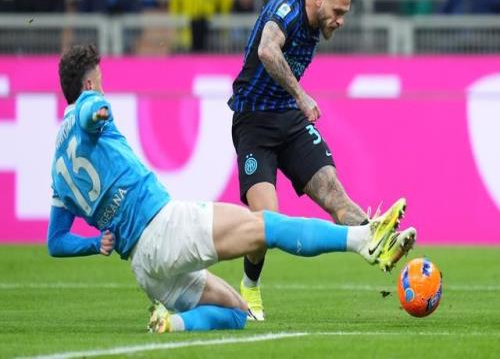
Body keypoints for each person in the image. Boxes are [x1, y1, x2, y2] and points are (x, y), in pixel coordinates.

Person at [47, 44, 415, 333]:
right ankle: (363, 239)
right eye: (100, 82)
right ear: (89, 85)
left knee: (237, 313)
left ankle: (170, 323)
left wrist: (95, 244)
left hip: (144, 268)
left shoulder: (57, 173)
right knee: (266, 225)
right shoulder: (90, 104)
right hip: (164, 226)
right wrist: (97, 112)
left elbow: (56, 242)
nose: (103, 89)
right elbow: (89, 112)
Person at [227, 0, 416, 321]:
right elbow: (267, 51)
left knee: (334, 193)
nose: (340, 20)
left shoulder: (318, 24)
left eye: (345, 13)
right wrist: (301, 95)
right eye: (337, 11)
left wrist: (295, 101)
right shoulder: (287, 8)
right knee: (266, 222)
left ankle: (377, 240)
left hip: (289, 120)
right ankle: (249, 287)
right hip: (254, 123)